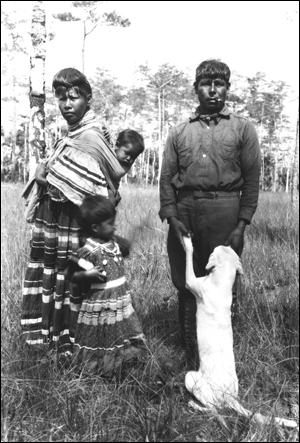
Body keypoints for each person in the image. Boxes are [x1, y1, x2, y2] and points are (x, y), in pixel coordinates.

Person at [21, 67, 144, 357]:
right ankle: (55, 340)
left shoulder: (90, 137)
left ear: (87, 99)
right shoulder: (71, 134)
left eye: (73, 98)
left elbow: (92, 186)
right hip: (56, 221)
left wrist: (44, 179)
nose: (66, 104)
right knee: (61, 278)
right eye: (61, 98)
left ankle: (78, 344)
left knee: (73, 279)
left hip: (73, 224)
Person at [159, 59, 261, 367]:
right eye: (206, 84)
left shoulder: (242, 129)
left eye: (219, 84)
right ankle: (190, 352)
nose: (213, 90)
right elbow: (166, 179)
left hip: (225, 210)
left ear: (228, 89)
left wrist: (241, 224)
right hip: (185, 212)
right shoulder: (179, 133)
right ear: (195, 89)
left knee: (223, 284)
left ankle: (222, 357)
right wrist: (173, 218)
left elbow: (253, 179)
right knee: (187, 283)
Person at [66, 194, 147, 375]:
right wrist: (88, 273)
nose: (114, 226)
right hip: (101, 303)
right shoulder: (88, 251)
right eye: (110, 224)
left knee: (121, 332)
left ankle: (123, 364)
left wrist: (139, 230)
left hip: (120, 300)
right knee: (102, 337)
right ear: (95, 227)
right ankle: (101, 369)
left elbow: (127, 247)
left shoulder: (114, 244)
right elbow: (70, 274)